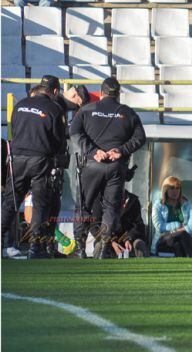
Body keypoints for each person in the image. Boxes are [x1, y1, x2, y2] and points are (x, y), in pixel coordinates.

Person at [70, 77, 146, 259]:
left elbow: (74, 132)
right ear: (118, 94)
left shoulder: (86, 110)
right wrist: (121, 150)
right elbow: (140, 138)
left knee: (84, 207)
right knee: (111, 208)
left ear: (101, 92)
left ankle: (80, 248)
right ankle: (105, 247)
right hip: (116, 166)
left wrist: (93, 151)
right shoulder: (128, 112)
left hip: (91, 165)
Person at [1, 84, 67, 259]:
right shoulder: (54, 108)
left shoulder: (20, 104)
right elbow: (59, 140)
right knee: (39, 204)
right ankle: (34, 248)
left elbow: (13, 129)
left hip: (18, 158)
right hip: (40, 160)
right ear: (52, 92)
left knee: (10, 202)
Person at [37, 76, 94, 258]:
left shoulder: (58, 106)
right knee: (44, 207)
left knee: (53, 207)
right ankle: (39, 247)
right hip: (44, 164)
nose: (76, 105)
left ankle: (48, 248)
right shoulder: (55, 106)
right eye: (77, 100)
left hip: (52, 164)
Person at [151, 176, 192, 257]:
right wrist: (179, 227)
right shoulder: (158, 205)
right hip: (165, 240)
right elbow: (159, 226)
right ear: (165, 190)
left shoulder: (187, 205)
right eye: (172, 188)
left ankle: (185, 265)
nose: (175, 191)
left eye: (177, 188)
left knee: (179, 242)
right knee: (182, 235)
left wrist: (176, 232)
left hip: (185, 240)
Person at [92, 190, 149, 258]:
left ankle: (143, 268)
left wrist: (127, 239)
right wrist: (111, 241)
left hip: (129, 240)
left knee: (139, 244)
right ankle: (97, 268)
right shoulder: (99, 201)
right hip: (107, 239)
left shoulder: (133, 200)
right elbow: (95, 226)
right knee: (99, 246)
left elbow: (139, 225)